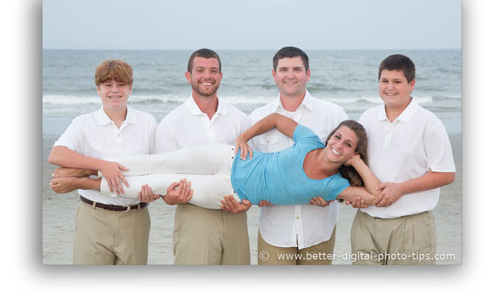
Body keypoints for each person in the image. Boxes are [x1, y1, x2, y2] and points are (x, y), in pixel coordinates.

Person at [59, 114, 380, 211]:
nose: (338, 145)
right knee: (156, 162)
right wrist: (244, 136)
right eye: (337, 137)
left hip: (228, 192)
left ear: (353, 153)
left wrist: (359, 164)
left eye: (348, 145)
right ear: (329, 137)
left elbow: (375, 195)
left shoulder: (334, 185)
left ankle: (82, 182)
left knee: (157, 183)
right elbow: (278, 119)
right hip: (226, 156)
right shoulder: (310, 140)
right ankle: (94, 166)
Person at [47, 60, 158, 265]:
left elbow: (156, 167)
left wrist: (154, 191)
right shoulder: (84, 123)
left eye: (121, 84)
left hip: (135, 217)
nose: (114, 90)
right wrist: (101, 165)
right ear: (98, 89)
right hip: (93, 215)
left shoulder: (147, 122)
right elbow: (56, 154)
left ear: (130, 88)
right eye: (108, 85)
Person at [350, 54, 456, 265]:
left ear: (411, 84)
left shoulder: (429, 123)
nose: (389, 88)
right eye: (384, 81)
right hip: (366, 223)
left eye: (397, 82)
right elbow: (356, 162)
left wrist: (401, 188)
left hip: (411, 227)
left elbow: (446, 174)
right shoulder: (367, 118)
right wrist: (354, 194)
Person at [248, 46, 350, 265]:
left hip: (319, 227)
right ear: (274, 74)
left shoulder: (333, 114)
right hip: (274, 229)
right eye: (283, 69)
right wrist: (257, 194)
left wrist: (332, 195)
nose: (290, 75)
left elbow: (346, 164)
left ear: (308, 74)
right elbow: (252, 169)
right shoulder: (258, 117)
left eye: (297, 69)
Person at [153, 48, 250, 265]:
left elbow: (251, 169)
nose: (207, 76)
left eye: (213, 70)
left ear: (220, 76)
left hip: (235, 213)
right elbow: (164, 181)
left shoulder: (240, 119)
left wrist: (248, 202)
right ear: (189, 76)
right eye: (200, 70)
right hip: (194, 214)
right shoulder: (171, 123)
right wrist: (170, 197)